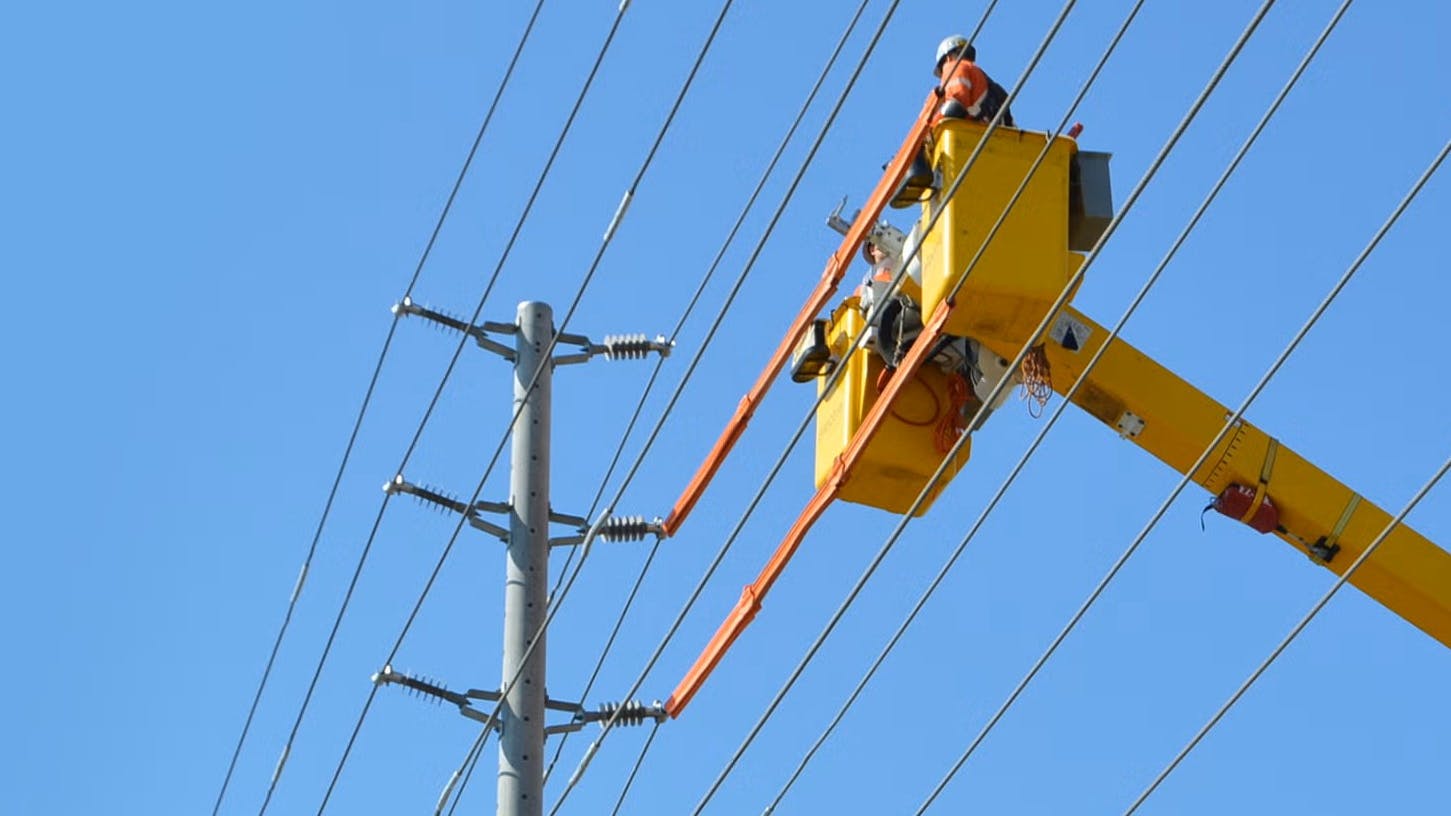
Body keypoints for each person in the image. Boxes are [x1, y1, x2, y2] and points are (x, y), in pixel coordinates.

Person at [933, 35, 1014, 127]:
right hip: (996, 135)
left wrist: (933, 128)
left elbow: (955, 105)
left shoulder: (954, 66)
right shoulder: (986, 82)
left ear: (948, 57)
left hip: (970, 133)